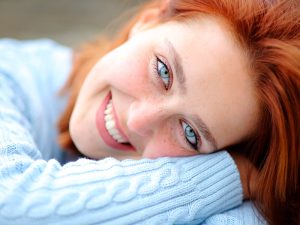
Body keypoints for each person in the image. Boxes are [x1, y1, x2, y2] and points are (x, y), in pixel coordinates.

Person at [0, 0, 298, 224]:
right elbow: (11, 203)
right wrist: (228, 178)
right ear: (148, 21)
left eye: (190, 134)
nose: (137, 120)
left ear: (229, 151)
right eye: (163, 71)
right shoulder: (10, 73)